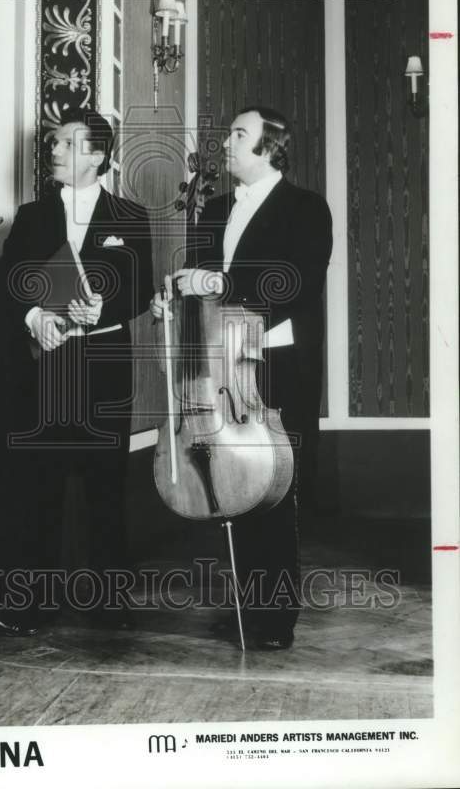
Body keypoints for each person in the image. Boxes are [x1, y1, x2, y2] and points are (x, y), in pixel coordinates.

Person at [152, 106, 332, 650]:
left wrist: (218, 282)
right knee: (234, 487)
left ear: (270, 147)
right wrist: (175, 298)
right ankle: (245, 606)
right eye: (228, 133)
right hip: (221, 366)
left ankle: (275, 617)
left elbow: (293, 282)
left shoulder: (305, 207)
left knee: (275, 493)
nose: (225, 142)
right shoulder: (214, 208)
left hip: (276, 364)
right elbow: (200, 286)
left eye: (238, 134)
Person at [0, 113, 154, 634]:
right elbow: (11, 284)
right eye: (53, 141)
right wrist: (34, 317)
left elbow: (138, 292)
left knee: (105, 485)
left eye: (66, 143)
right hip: (44, 365)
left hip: (105, 365)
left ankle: (111, 603)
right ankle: (34, 604)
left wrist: (103, 309)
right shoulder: (30, 215)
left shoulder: (130, 216)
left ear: (96, 155)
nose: (54, 149)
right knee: (37, 485)